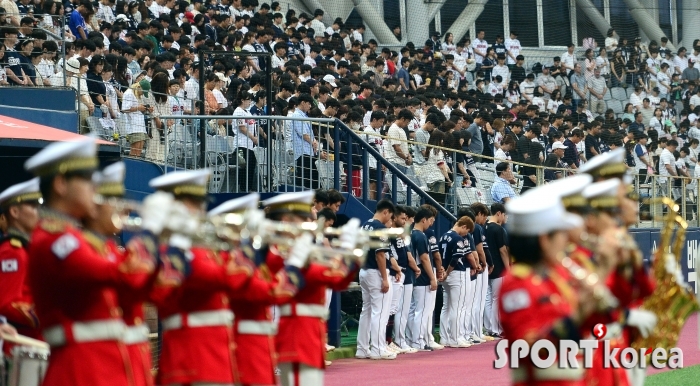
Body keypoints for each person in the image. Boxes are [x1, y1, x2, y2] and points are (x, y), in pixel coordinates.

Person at [24, 137, 178, 386]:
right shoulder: (54, 240)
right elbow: (122, 273)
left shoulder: (75, 238)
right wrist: (149, 233)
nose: (94, 190)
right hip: (81, 372)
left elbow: (137, 290)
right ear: (61, 184)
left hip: (106, 368)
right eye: (87, 182)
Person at [498, 191, 599, 385]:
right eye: (561, 235)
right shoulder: (516, 282)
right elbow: (529, 346)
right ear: (544, 240)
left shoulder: (552, 276)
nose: (565, 241)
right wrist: (577, 318)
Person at [208, 194, 306, 386]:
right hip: (244, 345)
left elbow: (270, 271)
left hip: (257, 343)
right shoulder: (232, 262)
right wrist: (294, 265)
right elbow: (271, 292)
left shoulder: (245, 261)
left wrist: (267, 249)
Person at [269, 191, 362, 386]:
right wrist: (345, 252)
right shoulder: (280, 249)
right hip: (296, 331)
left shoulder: (299, 245)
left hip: (308, 330)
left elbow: (338, 282)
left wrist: (350, 255)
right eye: (304, 217)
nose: (311, 218)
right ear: (287, 219)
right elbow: (328, 275)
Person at [0, 178, 42, 344]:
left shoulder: (25, 249)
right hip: (19, 343)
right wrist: (46, 313)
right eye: (32, 206)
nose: (37, 212)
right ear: (15, 212)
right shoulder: (13, 251)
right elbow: (6, 303)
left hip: (32, 340)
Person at [356, 199, 398, 360]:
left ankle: (362, 348)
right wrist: (385, 278)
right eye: (390, 216)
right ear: (386, 212)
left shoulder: (364, 225)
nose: (390, 220)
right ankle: (378, 348)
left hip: (364, 270)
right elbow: (380, 254)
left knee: (366, 311)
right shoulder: (380, 228)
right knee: (379, 312)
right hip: (376, 271)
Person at [388, 205, 420, 354]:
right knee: (397, 310)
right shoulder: (393, 233)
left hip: (403, 272)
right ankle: (397, 340)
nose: (406, 221)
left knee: (400, 310)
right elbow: (395, 255)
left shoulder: (402, 234)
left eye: (407, 218)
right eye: (404, 218)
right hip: (397, 273)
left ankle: (397, 340)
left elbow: (408, 254)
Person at [438, 216, 474, 348]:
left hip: (445, 274)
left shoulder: (443, 236)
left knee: (446, 307)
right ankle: (454, 338)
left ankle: (444, 337)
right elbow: (455, 258)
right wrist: (447, 272)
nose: (466, 234)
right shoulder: (458, 238)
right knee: (456, 307)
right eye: (467, 231)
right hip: (455, 273)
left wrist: (443, 272)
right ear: (463, 226)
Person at [407, 207, 438, 351]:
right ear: (424, 219)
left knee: (414, 310)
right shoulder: (420, 235)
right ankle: (418, 341)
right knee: (422, 311)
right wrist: (432, 278)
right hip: (424, 277)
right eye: (430, 220)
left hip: (416, 276)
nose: (431, 224)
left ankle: (412, 339)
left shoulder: (411, 234)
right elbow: (425, 258)